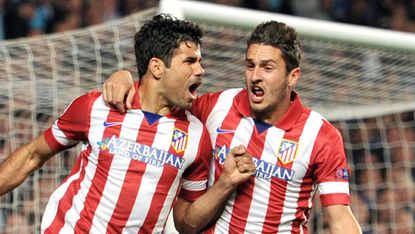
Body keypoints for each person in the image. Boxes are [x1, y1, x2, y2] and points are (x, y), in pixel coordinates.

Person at [0, 14, 256, 234]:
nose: (200, 70)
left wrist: (225, 184)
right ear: (156, 67)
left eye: (200, 61)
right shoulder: (97, 107)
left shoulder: (196, 135)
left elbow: (185, 223)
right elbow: (33, 155)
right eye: (190, 61)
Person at [104, 19, 362, 234]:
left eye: (267, 67)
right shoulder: (215, 106)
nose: (255, 76)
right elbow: (158, 96)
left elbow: (340, 219)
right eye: (250, 65)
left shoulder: (321, 136)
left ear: (292, 76)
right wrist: (126, 76)